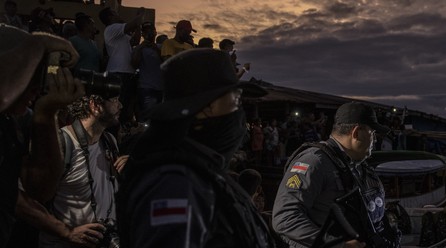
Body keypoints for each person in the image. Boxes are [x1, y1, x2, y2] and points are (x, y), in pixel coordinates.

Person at [116, 49, 274, 248]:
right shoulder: (174, 184)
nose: (240, 112)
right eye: (235, 101)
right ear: (204, 109)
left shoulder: (203, 171)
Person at [0, 24, 84, 247]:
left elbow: (41, 189)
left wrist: (47, 114)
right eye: (30, 74)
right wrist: (37, 44)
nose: (37, 87)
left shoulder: (17, 119)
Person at [272, 102, 400, 248]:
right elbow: (285, 218)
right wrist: (338, 245)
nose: (375, 140)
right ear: (356, 132)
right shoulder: (315, 162)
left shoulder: (355, 164)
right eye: (372, 133)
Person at [17, 92, 127, 248]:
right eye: (115, 100)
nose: (120, 105)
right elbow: (21, 199)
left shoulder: (109, 141)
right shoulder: (61, 143)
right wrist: (66, 232)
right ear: (94, 106)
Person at [99, 7, 144, 127]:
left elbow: (136, 41)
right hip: (117, 73)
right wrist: (140, 15)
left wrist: (138, 26)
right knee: (117, 108)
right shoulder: (112, 28)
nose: (118, 15)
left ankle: (121, 133)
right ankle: (113, 134)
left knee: (125, 108)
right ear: (110, 17)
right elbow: (133, 23)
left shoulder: (121, 34)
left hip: (126, 73)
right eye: (115, 13)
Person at [131, 21, 164, 122]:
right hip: (146, 88)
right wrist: (141, 47)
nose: (149, 33)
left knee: (159, 118)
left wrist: (156, 49)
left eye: (151, 31)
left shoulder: (161, 47)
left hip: (161, 89)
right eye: (146, 32)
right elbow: (134, 64)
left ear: (155, 32)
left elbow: (167, 63)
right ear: (143, 34)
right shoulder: (138, 48)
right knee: (148, 117)